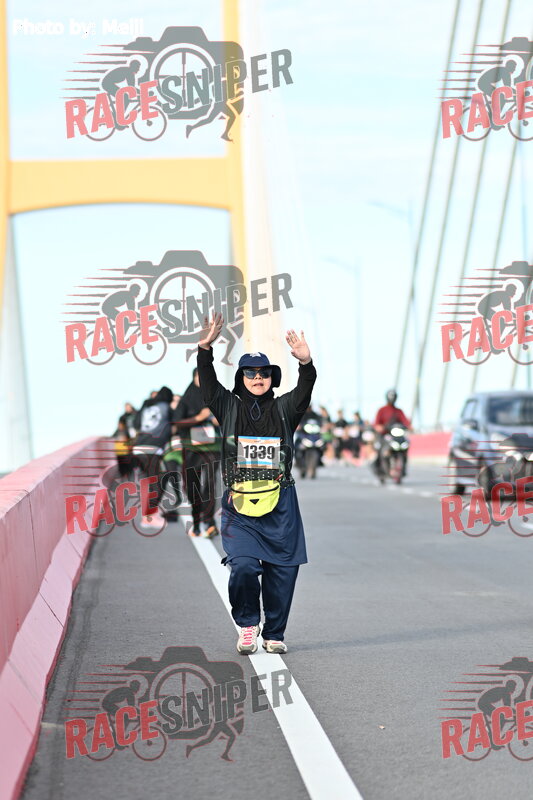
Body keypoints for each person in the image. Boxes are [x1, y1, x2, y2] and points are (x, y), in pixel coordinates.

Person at [197, 313, 316, 655]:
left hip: (281, 503)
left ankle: (274, 633)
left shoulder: (285, 408)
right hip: (240, 504)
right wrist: (205, 348)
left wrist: (306, 363)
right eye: (250, 373)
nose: (258, 377)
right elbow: (208, 384)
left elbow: (305, 389)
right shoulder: (227, 407)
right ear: (241, 378)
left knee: (283, 571)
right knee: (244, 566)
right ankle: (248, 625)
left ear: (271, 378)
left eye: (263, 373)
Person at [174, 368, 220, 538]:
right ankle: (196, 522)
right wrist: (198, 418)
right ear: (194, 377)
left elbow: (229, 416)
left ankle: (210, 522)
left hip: (212, 448)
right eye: (200, 376)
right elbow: (177, 422)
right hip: (192, 449)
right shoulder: (186, 399)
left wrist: (218, 419)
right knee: (193, 486)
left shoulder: (215, 396)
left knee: (210, 484)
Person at [133, 386, 174, 528]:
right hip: (152, 448)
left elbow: (136, 423)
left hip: (139, 447)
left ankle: (150, 513)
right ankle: (148, 517)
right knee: (158, 482)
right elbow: (175, 423)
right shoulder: (166, 407)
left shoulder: (147, 407)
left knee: (150, 482)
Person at [373, 390, 411, 478]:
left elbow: (405, 421)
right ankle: (382, 468)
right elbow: (376, 424)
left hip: (396, 435)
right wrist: (380, 427)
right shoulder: (382, 410)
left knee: (406, 445)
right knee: (382, 449)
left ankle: (403, 468)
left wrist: (409, 426)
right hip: (385, 434)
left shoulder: (398, 411)